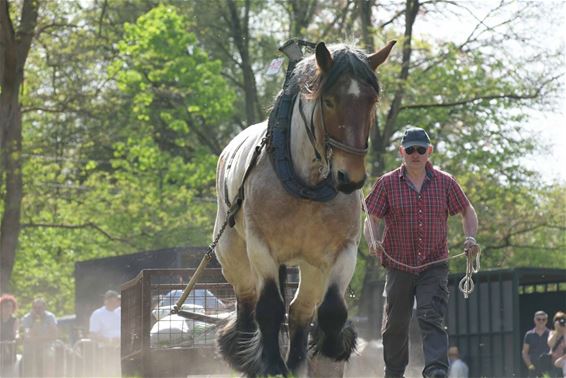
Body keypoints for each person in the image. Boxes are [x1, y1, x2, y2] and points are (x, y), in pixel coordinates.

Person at [364, 127, 479, 378]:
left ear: (429, 151)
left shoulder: (446, 182)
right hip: (398, 265)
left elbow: (467, 211)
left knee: (431, 314)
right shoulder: (387, 183)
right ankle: (394, 372)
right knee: (395, 325)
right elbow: (371, 218)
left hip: (434, 264)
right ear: (401, 152)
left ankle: (436, 370)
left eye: (420, 149)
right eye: (410, 150)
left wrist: (470, 238)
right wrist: (372, 241)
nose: (415, 154)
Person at [21, 298, 57, 377]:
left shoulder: (50, 317)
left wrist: (38, 338)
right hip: (30, 349)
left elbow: (54, 335)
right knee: (24, 362)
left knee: (48, 357)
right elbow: (27, 336)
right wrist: (35, 323)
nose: (37, 310)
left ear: (44, 308)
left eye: (40, 308)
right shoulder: (27, 318)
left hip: (47, 348)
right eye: (35, 308)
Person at [88, 290, 121, 376]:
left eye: (116, 301)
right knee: (108, 372)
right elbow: (93, 334)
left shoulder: (121, 312)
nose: (116, 303)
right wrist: (109, 340)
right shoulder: (97, 314)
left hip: (122, 349)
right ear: (106, 301)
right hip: (106, 350)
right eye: (113, 301)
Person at [522, 310, 551, 377]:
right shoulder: (529, 334)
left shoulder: (551, 334)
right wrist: (529, 365)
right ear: (534, 320)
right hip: (533, 368)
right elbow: (524, 352)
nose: (541, 321)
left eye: (544, 319)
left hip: (548, 369)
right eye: (538, 319)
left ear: (546, 321)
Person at [0, 294, 19, 376]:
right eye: (5, 306)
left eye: (9, 307)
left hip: (9, 348)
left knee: (8, 371)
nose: (7, 309)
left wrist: (17, 337)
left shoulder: (14, 320)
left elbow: (16, 331)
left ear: (12, 308)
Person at [548, 311, 566, 378]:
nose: (560, 322)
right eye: (557, 319)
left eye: (562, 319)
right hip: (554, 363)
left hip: (564, 361)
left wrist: (564, 331)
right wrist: (556, 331)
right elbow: (550, 344)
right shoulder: (552, 333)